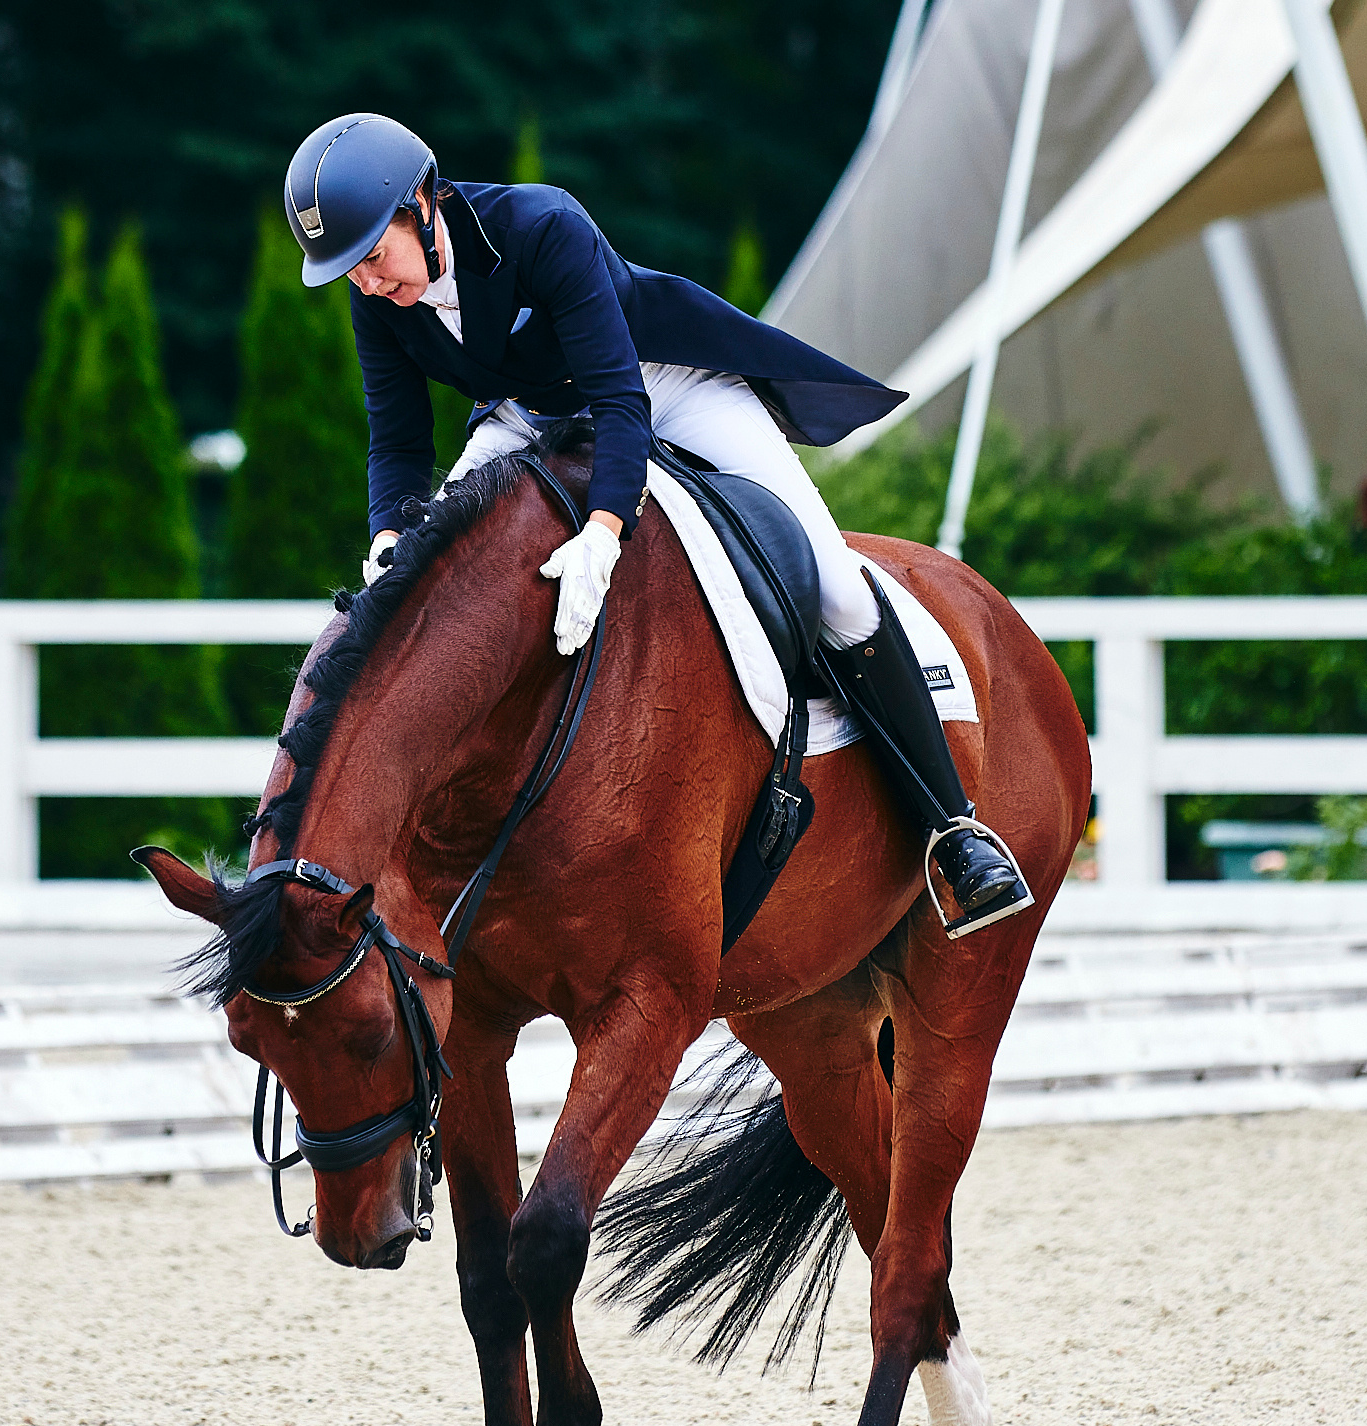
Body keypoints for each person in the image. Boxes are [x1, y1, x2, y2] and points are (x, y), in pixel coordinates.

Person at [283, 113, 1030, 935]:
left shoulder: (541, 226)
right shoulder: (379, 295)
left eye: (374, 258)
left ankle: (953, 829)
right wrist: (390, 539)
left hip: (662, 384)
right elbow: (397, 438)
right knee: (423, 597)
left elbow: (620, 400)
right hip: (525, 413)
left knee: (836, 586)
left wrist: (604, 532)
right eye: (351, 271)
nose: (368, 283)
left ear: (423, 205)